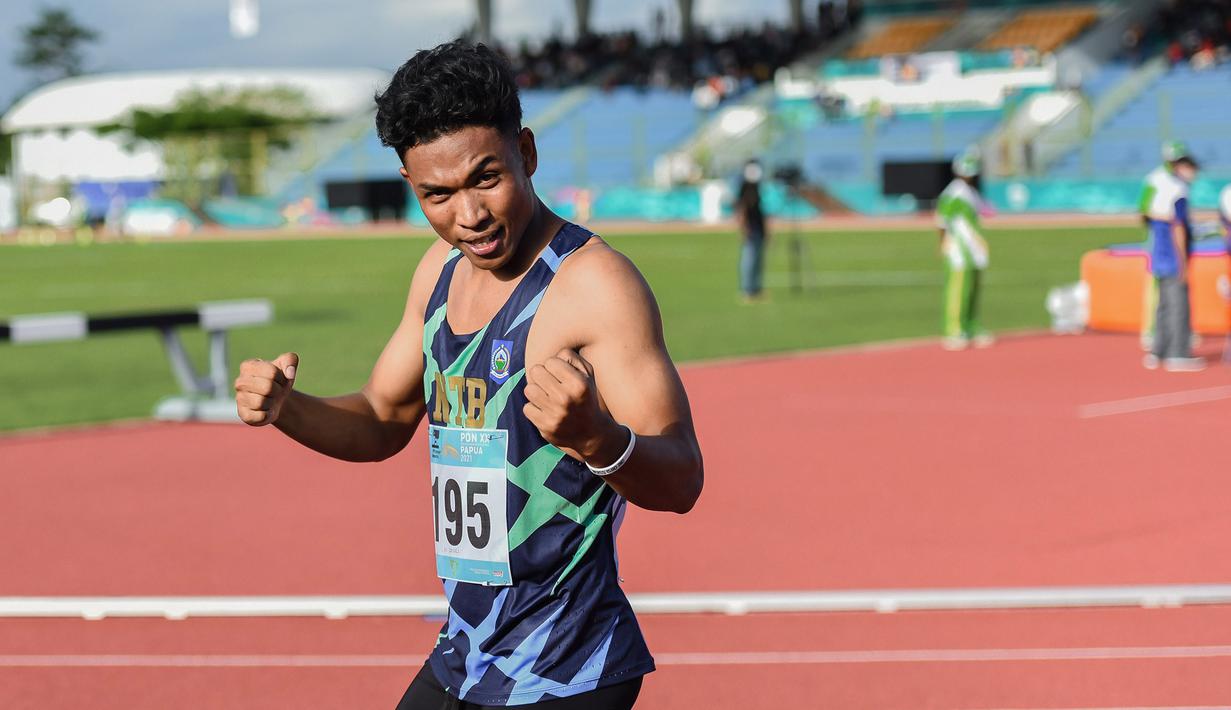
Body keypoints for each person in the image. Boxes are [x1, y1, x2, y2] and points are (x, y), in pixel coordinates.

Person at [234, 41, 703, 709]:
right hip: (468, 653)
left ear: (527, 153)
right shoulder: (438, 271)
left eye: (486, 178)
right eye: (437, 194)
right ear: (409, 185)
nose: (469, 216)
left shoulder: (594, 286)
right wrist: (289, 408)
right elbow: (383, 417)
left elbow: (682, 477)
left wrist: (595, 438)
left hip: (566, 667)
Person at [1142, 142, 1204, 371]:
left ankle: (1159, 350)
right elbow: (1178, 227)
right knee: (1178, 304)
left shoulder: (1160, 186)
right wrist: (1183, 262)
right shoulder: (1177, 190)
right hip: (1172, 256)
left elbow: (1146, 214)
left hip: (1160, 254)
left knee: (1164, 304)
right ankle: (1178, 352)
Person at [935, 149, 994, 351]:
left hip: (973, 249)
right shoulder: (952, 194)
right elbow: (942, 222)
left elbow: (984, 214)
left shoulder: (971, 192)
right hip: (958, 251)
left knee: (972, 291)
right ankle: (953, 329)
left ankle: (971, 326)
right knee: (957, 291)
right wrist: (943, 244)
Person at [734, 160, 768, 302]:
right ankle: (747, 290)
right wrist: (743, 228)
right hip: (751, 229)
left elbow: (761, 211)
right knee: (748, 260)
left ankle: (756, 289)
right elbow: (741, 210)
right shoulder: (744, 187)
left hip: (759, 229)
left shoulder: (757, 186)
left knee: (758, 261)